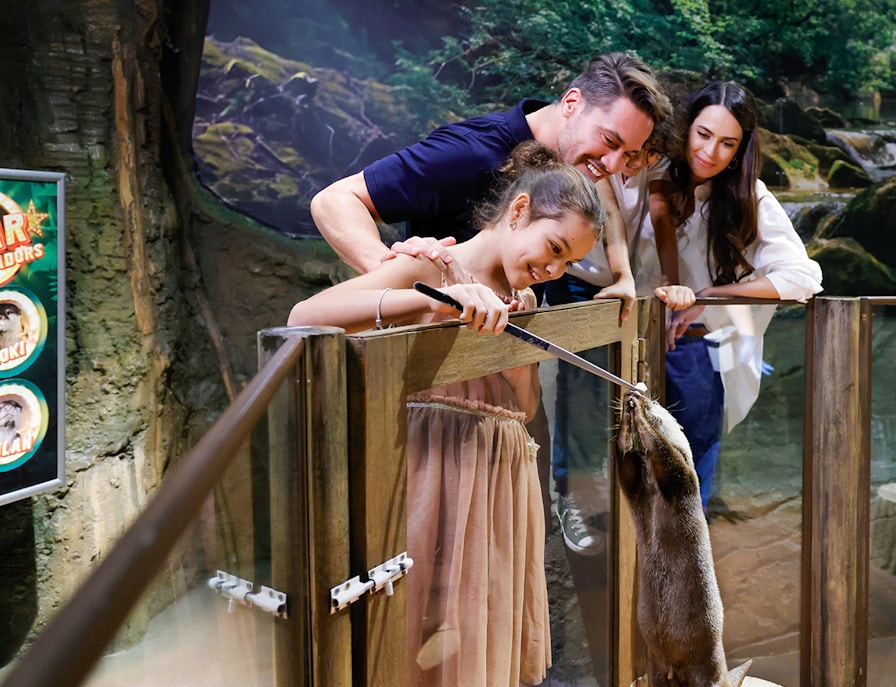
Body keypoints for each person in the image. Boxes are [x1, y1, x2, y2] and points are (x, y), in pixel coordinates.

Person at [289, 142, 606, 687]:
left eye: (567, 263)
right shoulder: (433, 263)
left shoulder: (526, 300)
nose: (553, 269)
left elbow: (525, 408)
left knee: (481, 629)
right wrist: (429, 301)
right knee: (410, 621)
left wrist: (515, 357)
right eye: (553, 248)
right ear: (519, 210)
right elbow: (305, 315)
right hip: (430, 470)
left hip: (498, 481)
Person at [310, 51, 671, 289]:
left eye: (628, 154)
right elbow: (336, 200)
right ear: (572, 103)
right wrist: (395, 276)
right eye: (609, 140)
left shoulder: (570, 171)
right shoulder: (472, 151)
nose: (613, 165)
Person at [634, 81, 824, 514]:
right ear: (686, 127)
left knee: (685, 474)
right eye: (703, 134)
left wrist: (711, 295)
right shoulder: (648, 172)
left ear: (740, 150)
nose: (711, 152)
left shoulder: (749, 197)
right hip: (632, 339)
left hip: (694, 348)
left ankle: (687, 551)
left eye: (727, 143)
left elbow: (803, 277)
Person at [545, 126, 676, 555]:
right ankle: (573, 496)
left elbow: (659, 214)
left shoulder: (658, 166)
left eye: (646, 154)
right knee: (581, 383)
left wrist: (660, 279)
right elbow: (608, 210)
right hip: (580, 275)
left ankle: (606, 488)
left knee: (624, 388)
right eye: (631, 151)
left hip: (631, 287)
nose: (634, 162)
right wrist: (621, 275)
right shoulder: (601, 156)